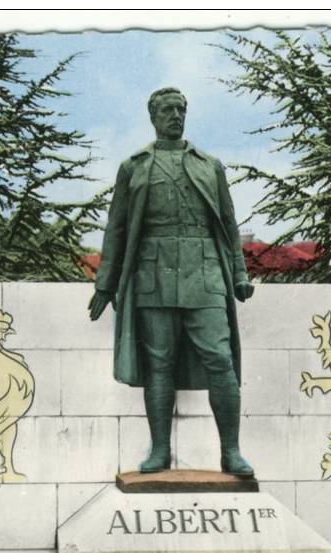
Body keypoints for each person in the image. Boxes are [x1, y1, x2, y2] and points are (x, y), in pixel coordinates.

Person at [88, 87, 255, 477]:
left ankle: (231, 452)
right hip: (154, 274)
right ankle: (159, 451)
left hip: (206, 273)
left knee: (221, 361)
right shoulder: (134, 167)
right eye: (167, 109)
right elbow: (116, 228)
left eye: (181, 109)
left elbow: (228, 225)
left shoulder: (209, 165)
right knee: (158, 364)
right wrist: (105, 284)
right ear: (153, 116)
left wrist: (239, 273)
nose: (175, 115)